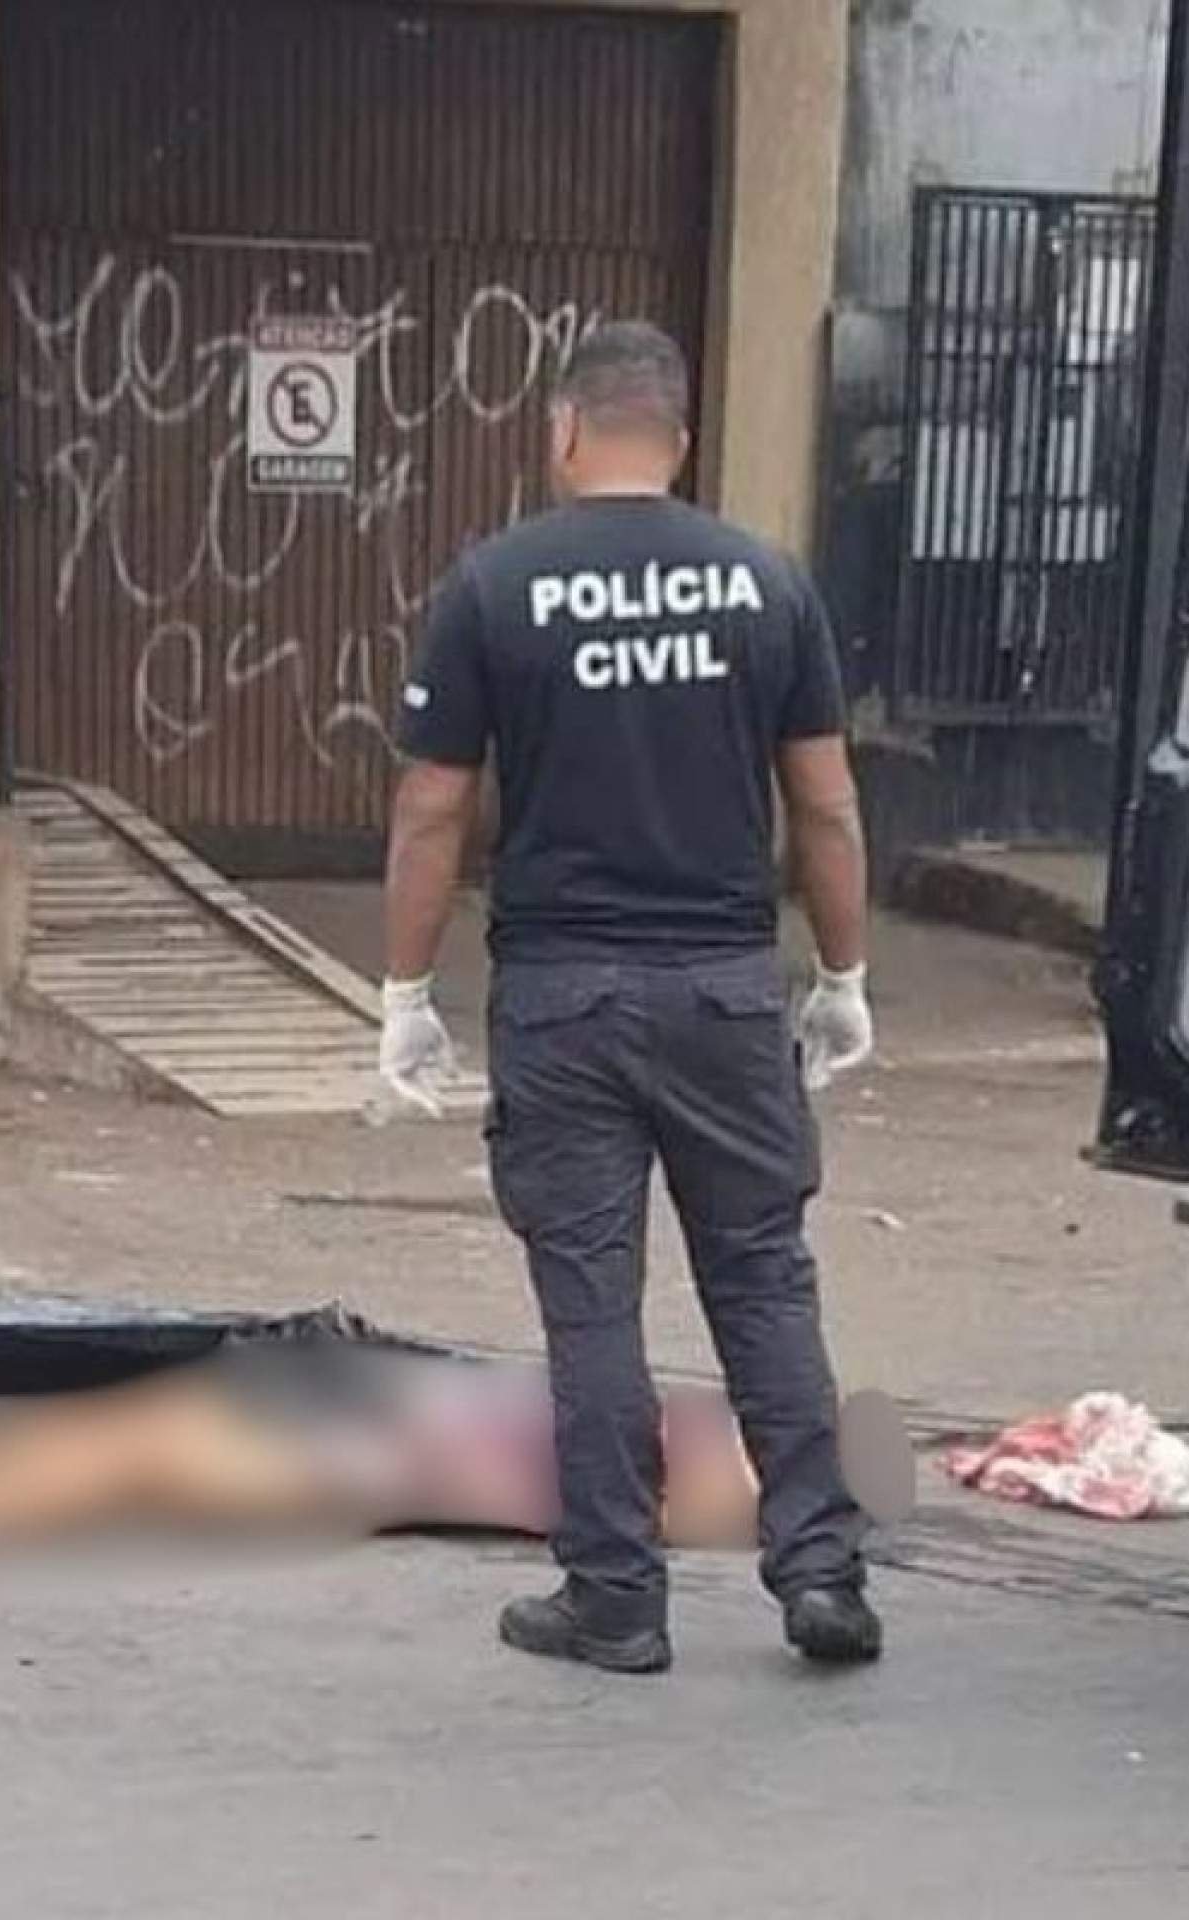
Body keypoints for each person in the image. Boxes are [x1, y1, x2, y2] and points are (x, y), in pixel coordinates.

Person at [372, 320, 882, 1676]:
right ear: (682, 437)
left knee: (592, 1303)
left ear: (562, 429)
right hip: (724, 991)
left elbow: (432, 809)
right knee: (763, 1280)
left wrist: (405, 990)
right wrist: (842, 974)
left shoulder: (494, 585)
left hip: (563, 1002)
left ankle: (615, 1598)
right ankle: (822, 1576)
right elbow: (826, 805)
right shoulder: (766, 583)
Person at [0, 1342, 917, 1557]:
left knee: (112, 1459)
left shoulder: (718, 1487)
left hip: (368, 1463)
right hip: (377, 1428)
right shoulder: (717, 1441)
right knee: (107, 1442)